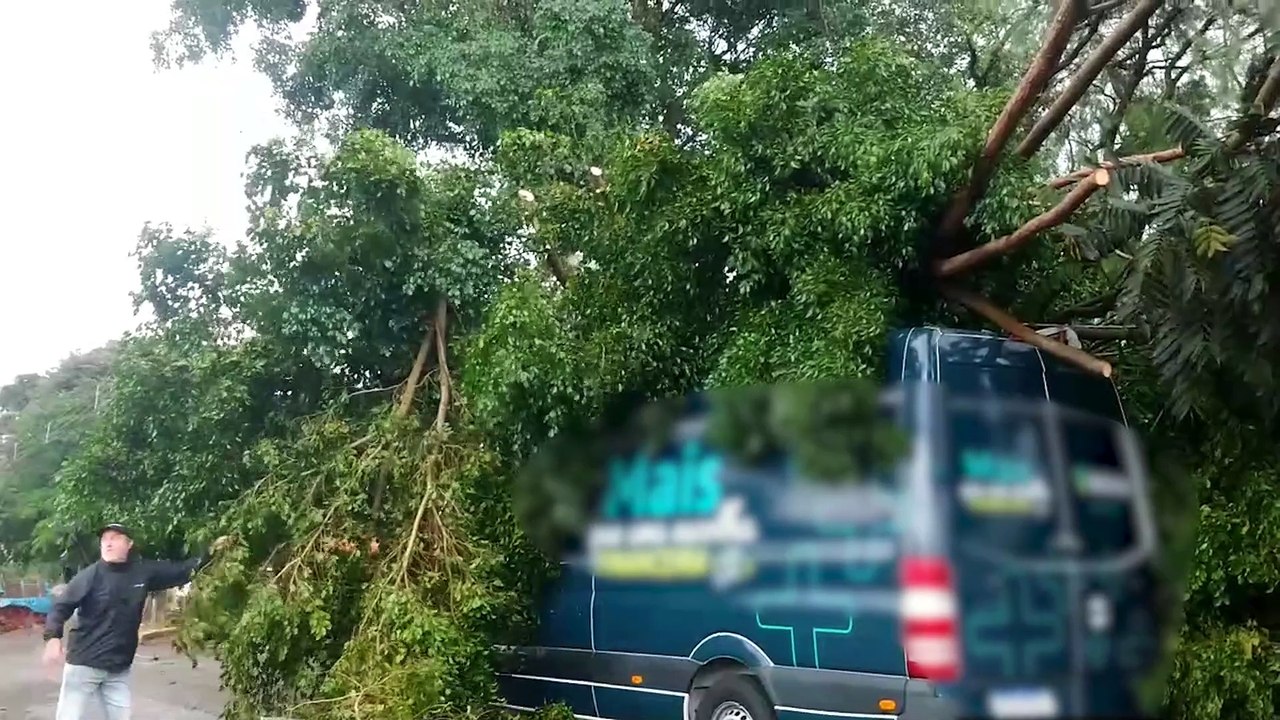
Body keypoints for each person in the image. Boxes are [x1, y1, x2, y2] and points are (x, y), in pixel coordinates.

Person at [41, 523, 231, 720]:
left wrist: (213, 552)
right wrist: (53, 637)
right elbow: (61, 606)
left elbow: (183, 570)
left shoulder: (142, 572)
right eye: (105, 539)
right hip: (84, 665)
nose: (108, 543)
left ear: (129, 543)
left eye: (115, 538)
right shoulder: (90, 576)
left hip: (118, 668)